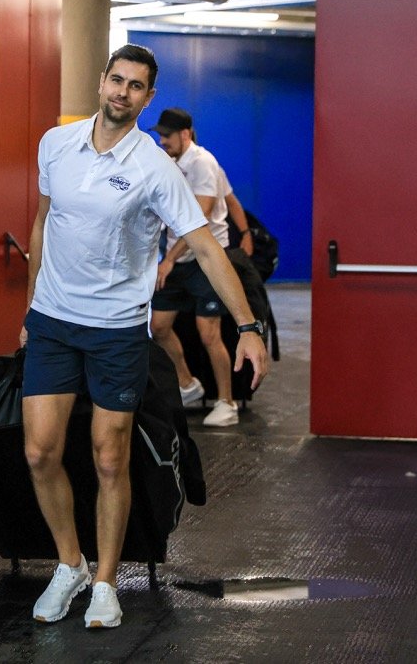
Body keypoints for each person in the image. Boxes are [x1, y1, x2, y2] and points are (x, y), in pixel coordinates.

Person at [20, 44, 269, 630]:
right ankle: (70, 565)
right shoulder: (56, 144)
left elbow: (205, 245)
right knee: (39, 452)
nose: (122, 92)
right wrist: (31, 310)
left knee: (110, 458)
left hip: (116, 328)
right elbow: (43, 221)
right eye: (116, 80)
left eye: (135, 86)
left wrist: (249, 326)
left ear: (147, 98)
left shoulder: (156, 168)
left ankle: (106, 581)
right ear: (101, 81)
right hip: (53, 321)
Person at [148, 108, 244, 427]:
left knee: (209, 333)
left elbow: (197, 221)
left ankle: (227, 403)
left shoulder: (203, 163)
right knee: (159, 327)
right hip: (177, 258)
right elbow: (229, 199)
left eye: (167, 136)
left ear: (185, 134)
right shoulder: (168, 163)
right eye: (160, 135)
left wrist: (169, 259)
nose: (162, 141)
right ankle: (187, 384)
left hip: (206, 258)